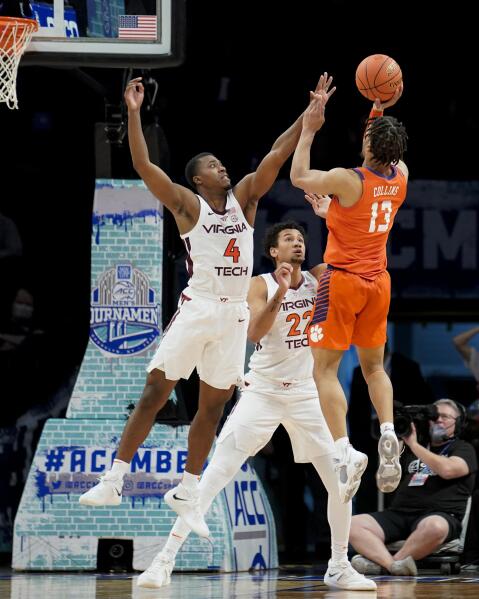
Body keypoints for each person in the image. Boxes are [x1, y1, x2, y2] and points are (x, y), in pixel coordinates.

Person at [79, 74, 331, 538]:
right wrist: (134, 114)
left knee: (212, 408)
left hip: (235, 313)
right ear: (198, 177)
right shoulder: (187, 206)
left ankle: (189, 492)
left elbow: (276, 154)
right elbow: (142, 165)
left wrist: (307, 116)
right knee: (156, 390)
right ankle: (114, 477)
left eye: (221, 163)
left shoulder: (246, 200)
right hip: (199, 307)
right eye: (213, 165)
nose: (223, 168)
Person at [136, 221, 376, 591]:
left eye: (300, 238)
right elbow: (254, 333)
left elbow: (350, 260)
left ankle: (339, 565)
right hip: (262, 391)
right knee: (215, 474)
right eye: (288, 239)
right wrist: (281, 292)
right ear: (273, 252)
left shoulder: (318, 277)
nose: (297, 242)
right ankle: (163, 560)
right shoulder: (258, 284)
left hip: (308, 393)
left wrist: (332, 214)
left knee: (341, 481)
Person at [290, 75, 408, 502]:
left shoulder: (346, 179)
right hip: (378, 282)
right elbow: (358, 216)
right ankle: (389, 429)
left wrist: (309, 128)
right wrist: (378, 107)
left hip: (341, 282)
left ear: (370, 147)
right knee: (375, 368)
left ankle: (343, 450)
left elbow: (299, 175)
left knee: (323, 369)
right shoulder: (401, 178)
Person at [349, 399, 477, 576]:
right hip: (400, 513)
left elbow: (448, 470)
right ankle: (394, 566)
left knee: (436, 527)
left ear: (459, 423)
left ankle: (389, 564)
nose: (439, 420)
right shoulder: (414, 448)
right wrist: (396, 440)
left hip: (439, 514)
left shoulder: (463, 448)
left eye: (446, 417)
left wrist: (414, 445)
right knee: (353, 524)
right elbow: (385, 483)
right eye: (435, 416)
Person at [349, 342, 435, 513]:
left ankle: (396, 519)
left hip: (400, 432)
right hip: (368, 437)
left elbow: (423, 399)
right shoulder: (359, 371)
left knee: (399, 480)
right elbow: (355, 410)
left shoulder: (408, 366)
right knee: (367, 483)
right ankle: (368, 522)